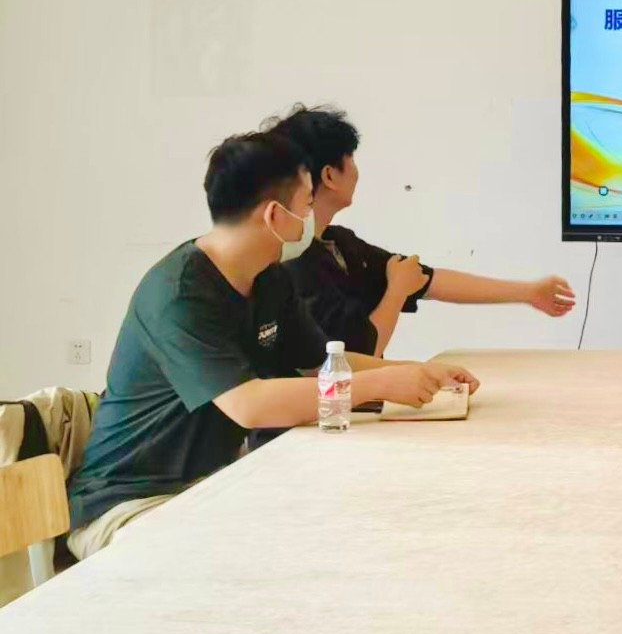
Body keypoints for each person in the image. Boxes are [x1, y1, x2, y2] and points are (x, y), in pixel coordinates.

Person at [66, 132, 479, 559]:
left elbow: (323, 363)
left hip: (211, 488)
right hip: (129, 505)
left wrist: (418, 373)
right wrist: (380, 385)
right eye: (306, 204)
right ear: (275, 216)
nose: (310, 219)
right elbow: (249, 404)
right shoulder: (180, 294)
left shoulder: (269, 277)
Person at [265, 105, 576, 356]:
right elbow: (357, 355)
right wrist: (396, 291)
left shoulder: (342, 244)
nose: (357, 171)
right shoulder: (292, 263)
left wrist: (530, 292)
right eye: (351, 159)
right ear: (330, 175)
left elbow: (429, 280)